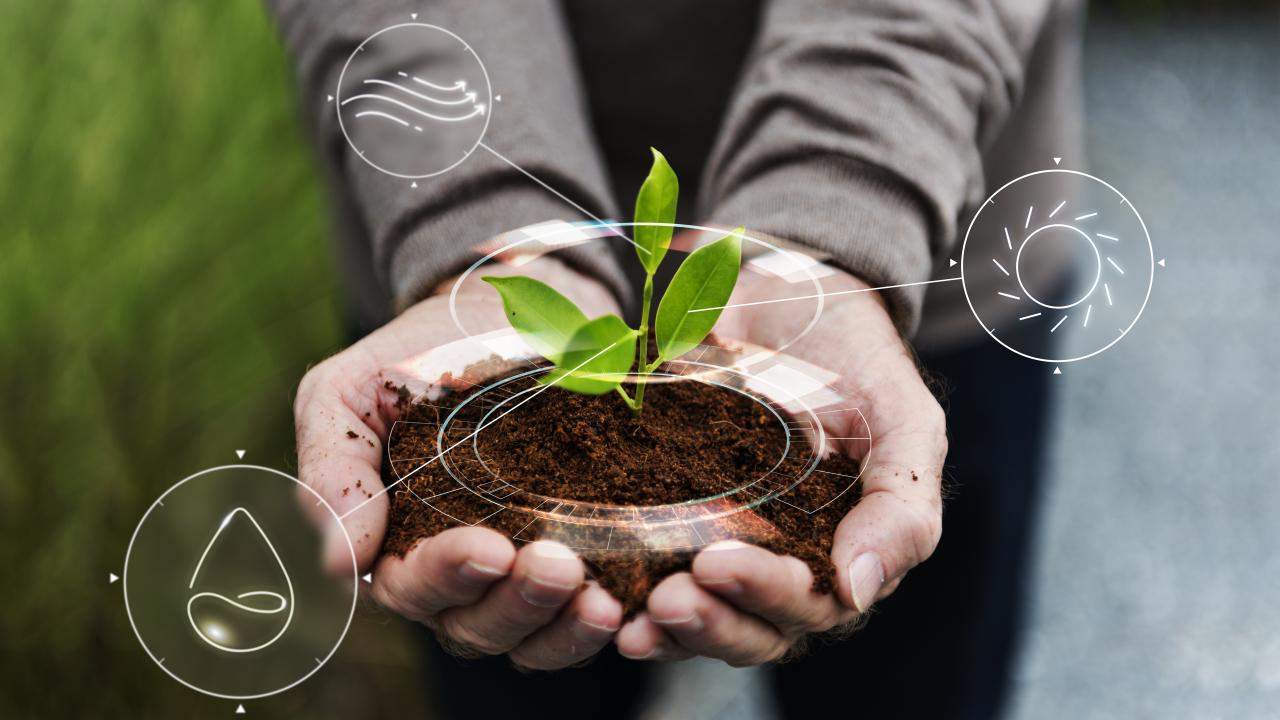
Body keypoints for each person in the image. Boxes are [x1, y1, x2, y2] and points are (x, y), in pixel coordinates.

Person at [271, 0, 1084, 717]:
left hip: (917, 212)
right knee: (508, 642)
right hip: (452, 265)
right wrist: (482, 213)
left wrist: (843, 201)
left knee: (910, 668)